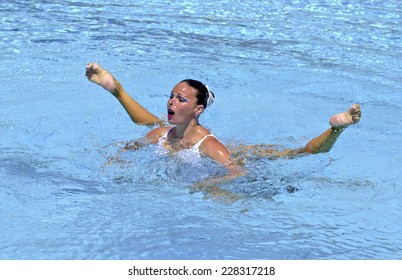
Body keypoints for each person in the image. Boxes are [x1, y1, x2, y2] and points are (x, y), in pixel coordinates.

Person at [85, 62, 361, 196]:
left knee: (292, 153)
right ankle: (117, 90)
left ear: (198, 110)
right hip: (191, 149)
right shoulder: (160, 135)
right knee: (157, 126)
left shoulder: (208, 145)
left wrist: (207, 184)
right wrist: (115, 160)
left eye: (181, 99)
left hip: (236, 161)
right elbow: (129, 148)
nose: (171, 101)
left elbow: (239, 171)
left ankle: (336, 128)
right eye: (171, 96)